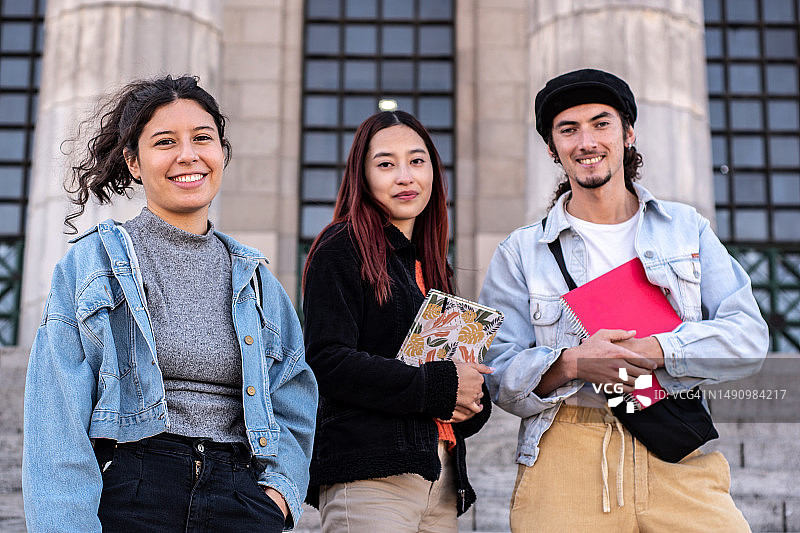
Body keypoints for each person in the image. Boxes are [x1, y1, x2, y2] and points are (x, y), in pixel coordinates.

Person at [22, 75, 317, 533]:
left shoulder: (257, 280)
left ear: (221, 153)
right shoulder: (91, 265)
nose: (189, 155)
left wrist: (276, 497)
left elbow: (294, 397)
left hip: (240, 495)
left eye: (204, 138)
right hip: (132, 490)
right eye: (165, 142)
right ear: (133, 163)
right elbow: (56, 425)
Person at [479, 68, 769, 532]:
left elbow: (748, 337)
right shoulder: (521, 251)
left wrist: (655, 350)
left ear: (628, 134)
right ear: (553, 150)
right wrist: (573, 363)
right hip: (566, 452)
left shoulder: (685, 227)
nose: (586, 141)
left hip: (677, 447)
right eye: (568, 130)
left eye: (601, 123)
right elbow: (498, 374)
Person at [302, 110, 493, 532]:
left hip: (440, 480)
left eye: (417, 161)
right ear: (363, 176)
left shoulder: (431, 265)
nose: (405, 176)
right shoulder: (341, 246)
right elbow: (326, 362)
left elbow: (452, 378)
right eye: (386, 164)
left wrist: (473, 399)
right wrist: (443, 386)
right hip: (372, 476)